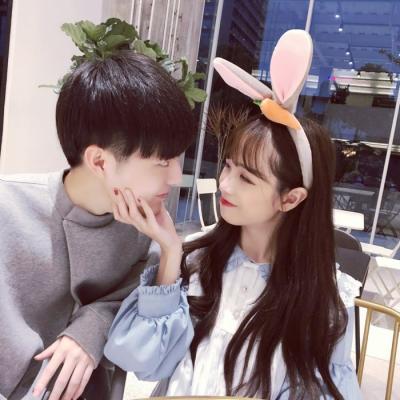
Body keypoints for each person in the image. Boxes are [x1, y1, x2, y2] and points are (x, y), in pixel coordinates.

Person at [104, 31, 362, 399]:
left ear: (290, 199)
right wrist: (170, 253)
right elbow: (142, 362)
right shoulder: (197, 261)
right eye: (227, 166)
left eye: (247, 178)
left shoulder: (324, 301)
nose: (225, 184)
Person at [0, 51, 195, 400]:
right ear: (100, 161)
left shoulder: (142, 234)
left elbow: (151, 361)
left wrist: (170, 251)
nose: (176, 177)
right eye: (162, 161)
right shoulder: (7, 209)